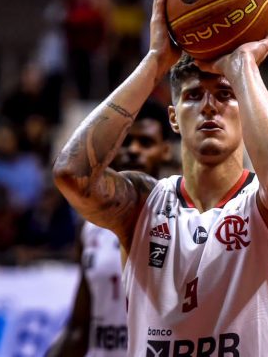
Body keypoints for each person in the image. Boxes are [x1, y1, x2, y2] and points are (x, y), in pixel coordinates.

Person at [53, 0, 268, 355]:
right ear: (174, 118)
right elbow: (71, 174)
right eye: (194, 96)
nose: (209, 106)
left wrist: (243, 67)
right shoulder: (143, 204)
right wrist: (154, 62)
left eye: (225, 95)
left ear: (247, 108)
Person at [47, 100, 173, 357]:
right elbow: (79, 328)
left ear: (165, 151)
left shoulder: (184, 219)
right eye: (125, 142)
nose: (133, 150)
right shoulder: (89, 227)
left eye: (145, 142)